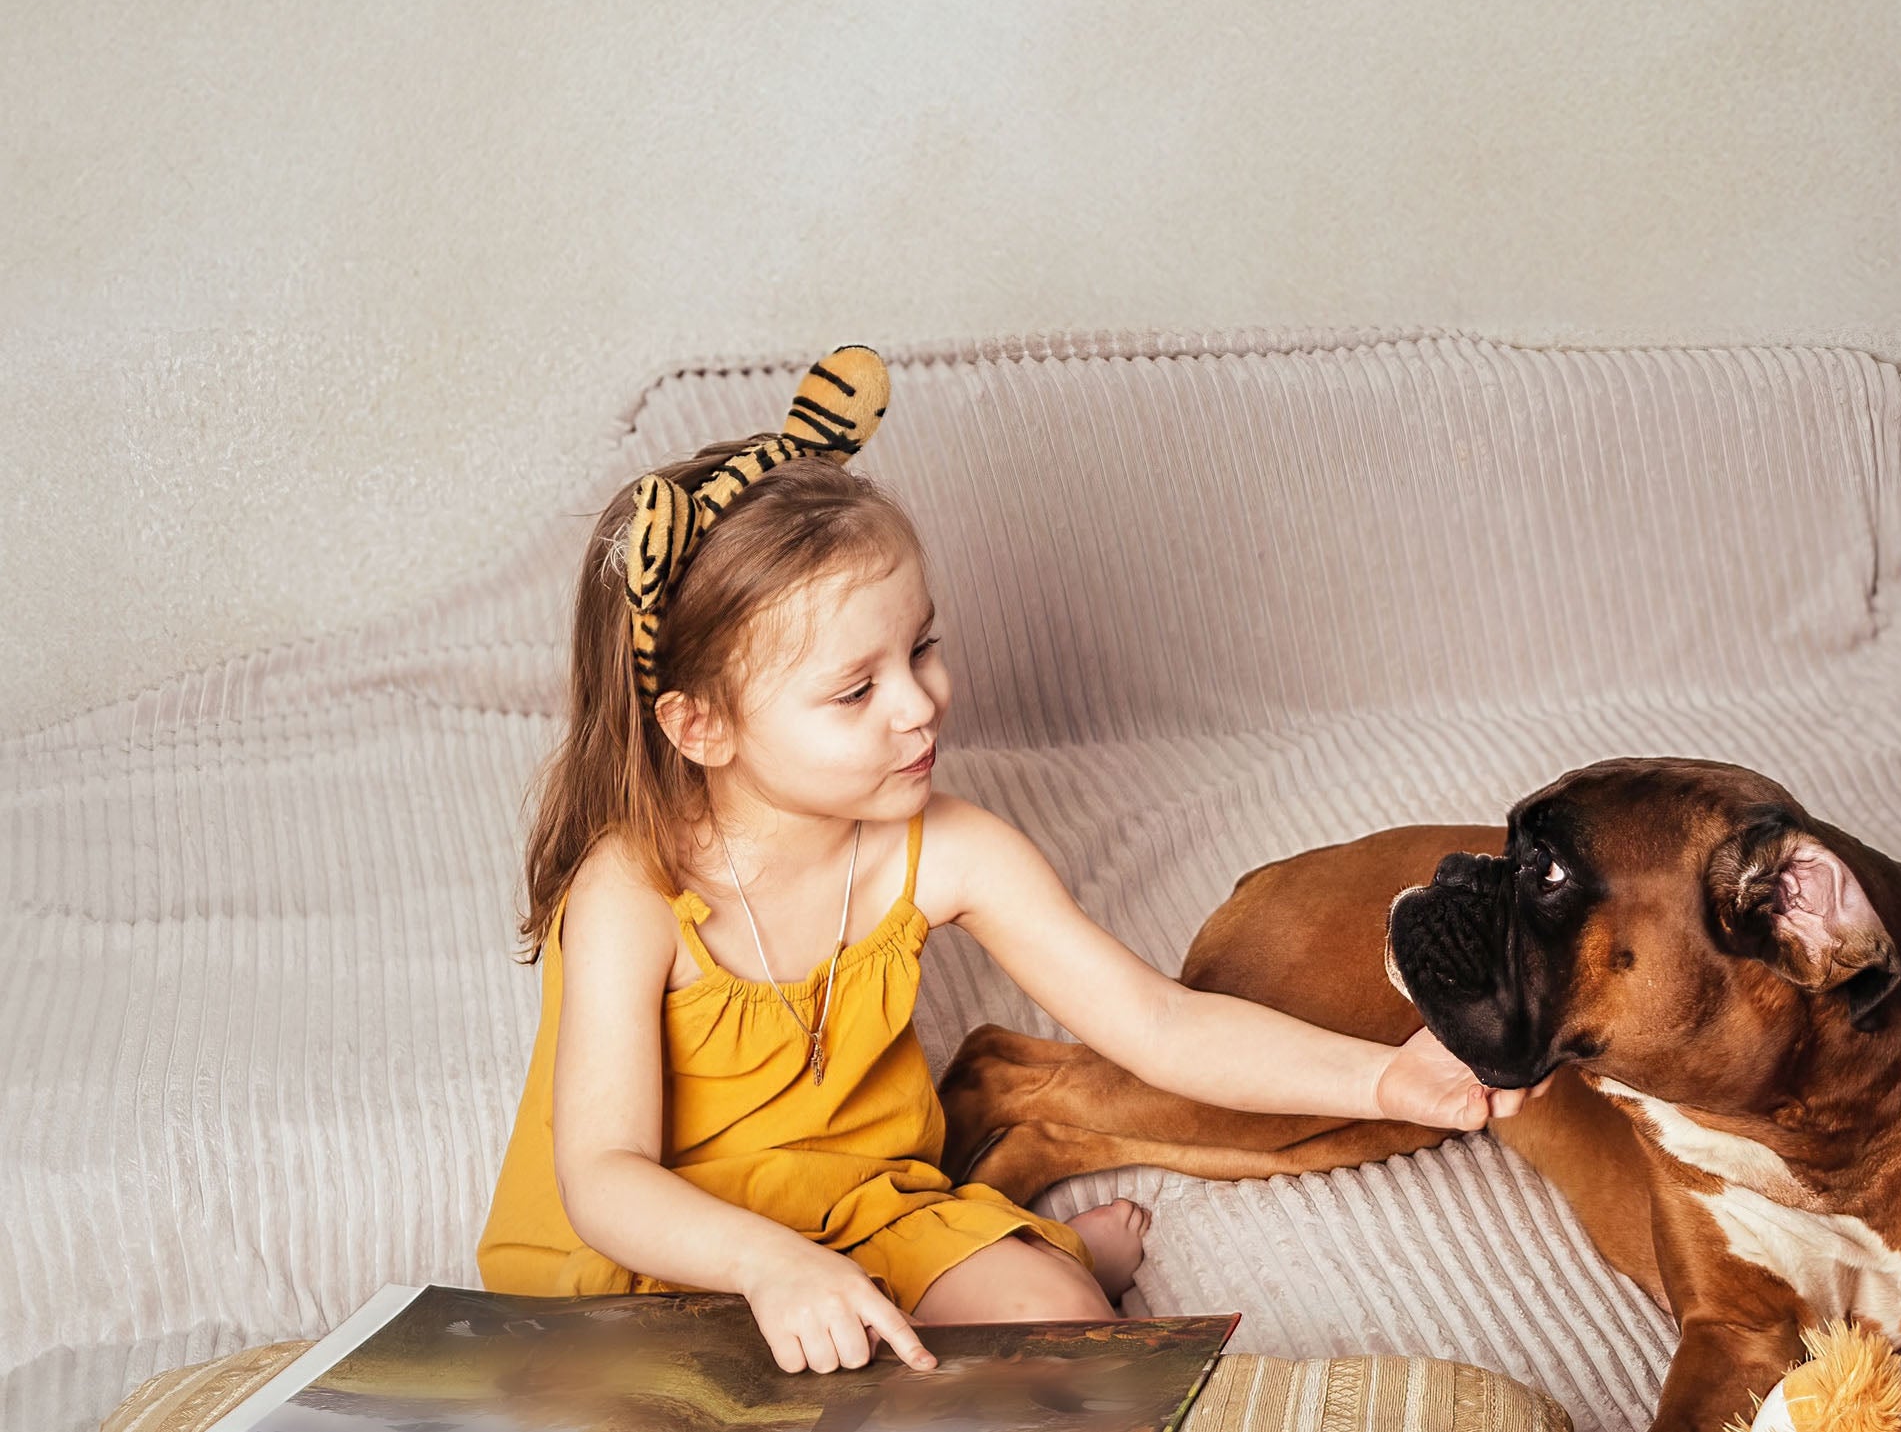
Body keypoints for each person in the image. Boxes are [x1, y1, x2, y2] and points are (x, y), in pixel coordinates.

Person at [476, 348, 1526, 1380]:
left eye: (921, 648)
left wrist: (1384, 1076)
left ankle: (1045, 1267)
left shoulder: (947, 847)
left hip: (868, 1206)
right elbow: (604, 1176)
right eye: (855, 691)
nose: (918, 703)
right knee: (725, 1388)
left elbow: (1155, 1023)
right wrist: (770, 1267)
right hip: (669, 1250)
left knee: (1060, 1341)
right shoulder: (631, 889)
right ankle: (1021, 1256)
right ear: (700, 726)